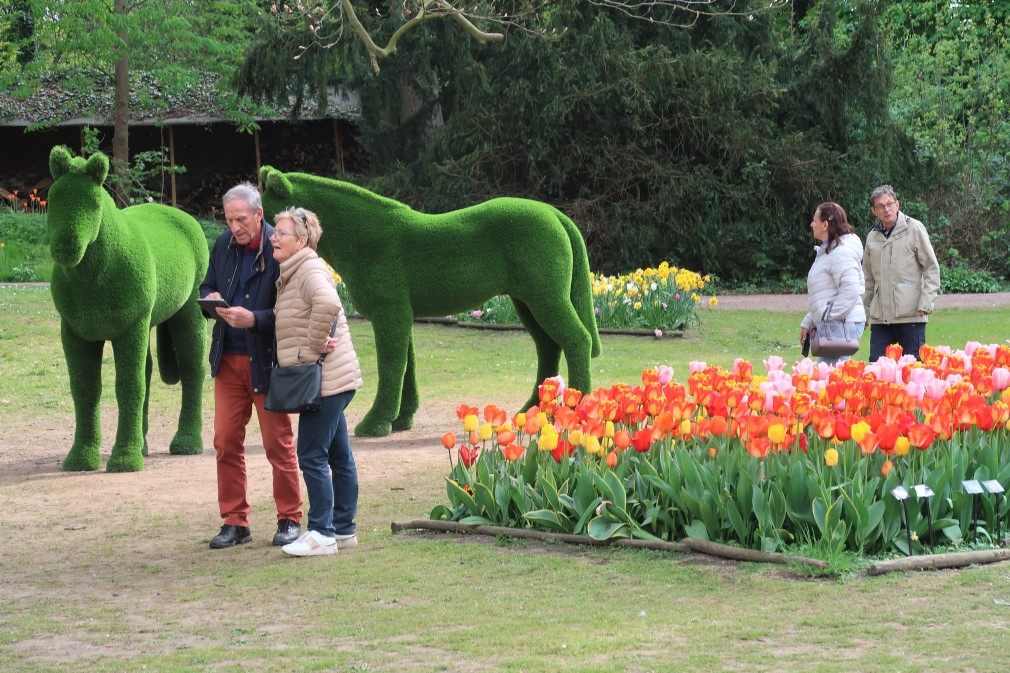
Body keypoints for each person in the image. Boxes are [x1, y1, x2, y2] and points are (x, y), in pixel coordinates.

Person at [200, 183, 303, 549]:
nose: (235, 227)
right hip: (227, 360)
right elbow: (207, 287)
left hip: (268, 362)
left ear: (259, 215)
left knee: (278, 443)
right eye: (229, 220)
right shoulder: (221, 246)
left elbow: (294, 311)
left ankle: (290, 518)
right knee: (225, 440)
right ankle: (235, 521)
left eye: (241, 219)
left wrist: (255, 319)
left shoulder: (281, 247)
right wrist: (210, 299)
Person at [269, 207, 363, 557]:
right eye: (275, 231)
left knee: (311, 454)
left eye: (281, 233)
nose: (274, 237)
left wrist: (311, 348)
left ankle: (322, 533)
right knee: (338, 455)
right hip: (333, 379)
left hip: (327, 382)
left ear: (302, 240)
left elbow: (328, 303)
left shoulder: (308, 268)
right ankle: (343, 529)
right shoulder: (297, 269)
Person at [862, 185, 941, 362]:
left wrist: (926, 302)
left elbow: (931, 268)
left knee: (913, 370)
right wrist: (864, 312)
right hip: (881, 319)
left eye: (889, 204)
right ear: (874, 211)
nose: (886, 209)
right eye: (880, 206)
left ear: (897, 204)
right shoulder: (872, 237)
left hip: (911, 315)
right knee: (876, 368)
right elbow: (868, 279)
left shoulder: (914, 228)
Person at [799, 202, 866, 366]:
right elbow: (825, 295)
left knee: (830, 377)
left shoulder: (841, 252)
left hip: (843, 326)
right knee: (828, 375)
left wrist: (826, 319)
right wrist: (809, 321)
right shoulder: (828, 252)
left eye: (815, 220)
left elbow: (850, 291)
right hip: (836, 324)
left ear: (825, 225)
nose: (811, 224)